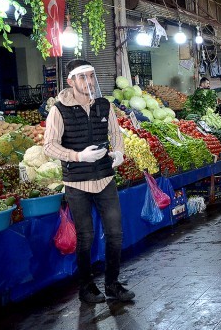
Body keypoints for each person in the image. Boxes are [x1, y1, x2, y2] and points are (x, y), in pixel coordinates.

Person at [43, 60, 135, 303]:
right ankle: (86, 287)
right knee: (86, 236)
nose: (88, 82)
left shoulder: (104, 105)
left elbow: (115, 134)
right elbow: (49, 146)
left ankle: (113, 284)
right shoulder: (59, 110)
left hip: (105, 178)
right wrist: (76, 156)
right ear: (71, 81)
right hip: (77, 183)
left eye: (91, 76)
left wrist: (118, 152)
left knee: (115, 233)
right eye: (82, 78)